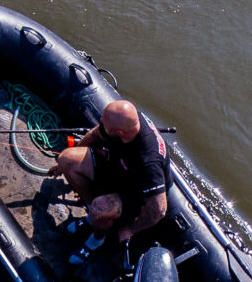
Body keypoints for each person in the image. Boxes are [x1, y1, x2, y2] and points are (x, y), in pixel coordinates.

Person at [56, 99, 170, 249]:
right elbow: (97, 133)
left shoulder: (148, 162)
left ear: (120, 133)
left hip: (134, 192)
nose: (100, 123)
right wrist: (74, 153)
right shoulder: (127, 122)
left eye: (105, 124)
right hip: (119, 169)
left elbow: (159, 209)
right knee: (66, 160)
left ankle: (98, 237)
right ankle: (92, 214)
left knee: (100, 207)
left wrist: (130, 229)